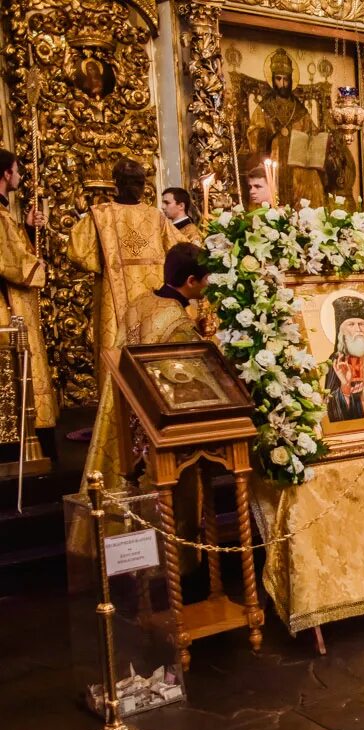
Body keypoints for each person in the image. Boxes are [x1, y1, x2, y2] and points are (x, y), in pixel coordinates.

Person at [81, 242, 210, 493]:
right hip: (155, 428)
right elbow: (192, 381)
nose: (209, 284)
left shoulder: (141, 301)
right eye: (206, 278)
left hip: (122, 407)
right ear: (191, 281)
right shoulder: (179, 324)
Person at [68, 158, 188, 384]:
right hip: (149, 296)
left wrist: (105, 267)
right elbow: (180, 249)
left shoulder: (104, 215)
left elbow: (78, 252)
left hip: (125, 297)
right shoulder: (152, 216)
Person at [0, 149, 57, 430]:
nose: (20, 177)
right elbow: (12, 263)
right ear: (6, 174)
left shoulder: (5, 214)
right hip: (6, 304)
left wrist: (26, 227)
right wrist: (39, 267)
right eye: (17, 171)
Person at [246, 49, 328, 207]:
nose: (282, 84)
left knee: (313, 181)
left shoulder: (299, 109)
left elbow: (313, 132)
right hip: (273, 160)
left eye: (285, 79)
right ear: (272, 79)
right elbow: (253, 134)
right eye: (278, 79)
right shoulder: (264, 107)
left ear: (291, 80)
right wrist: (267, 133)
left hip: (297, 167)